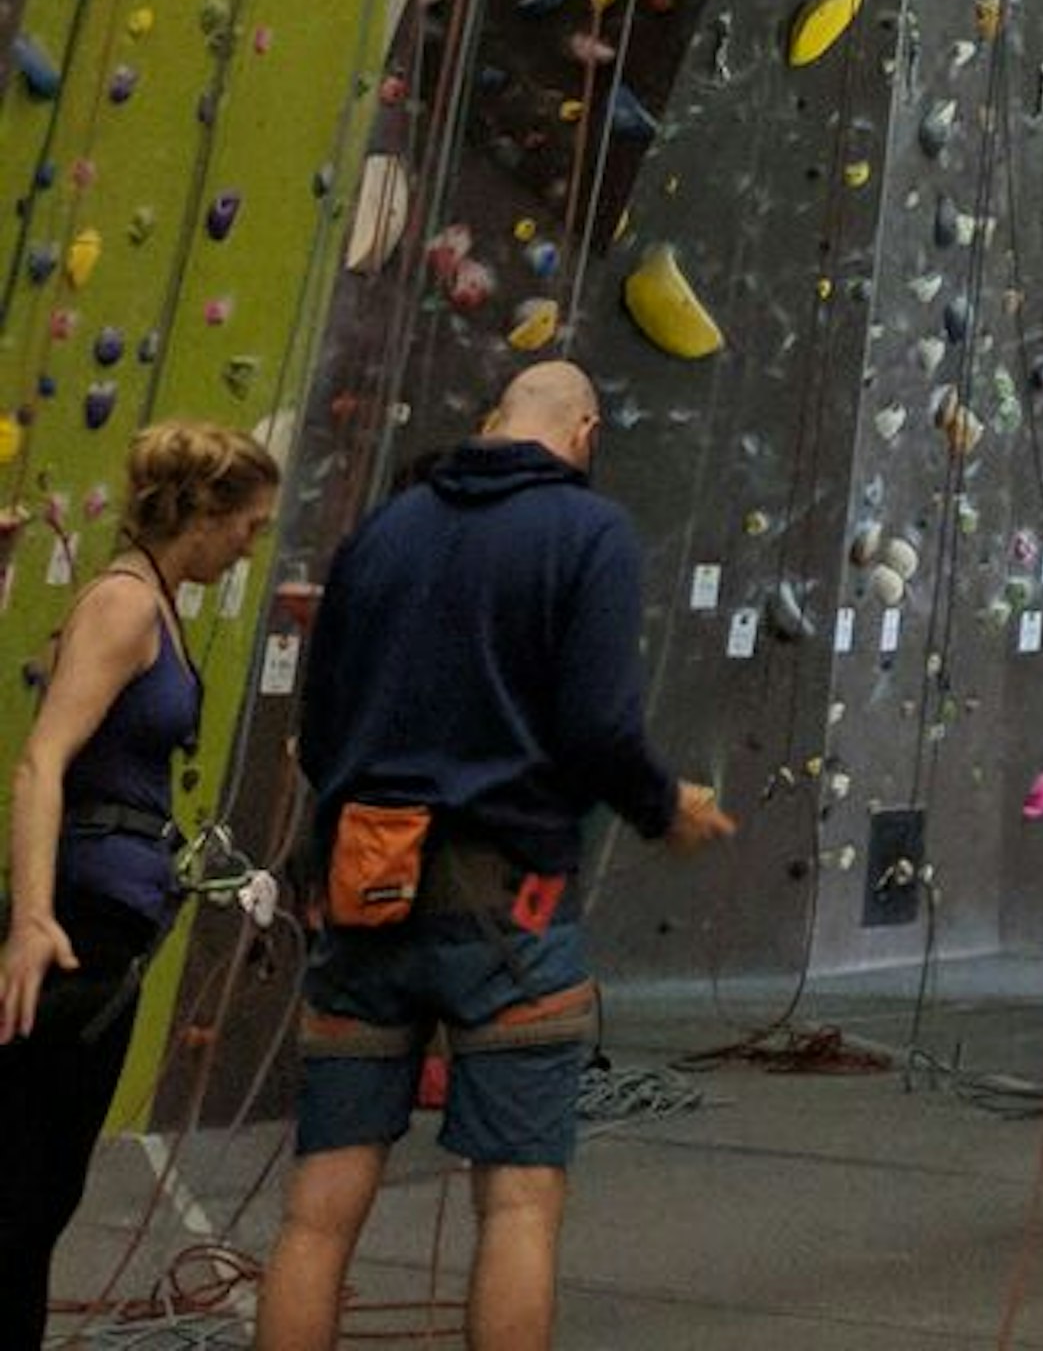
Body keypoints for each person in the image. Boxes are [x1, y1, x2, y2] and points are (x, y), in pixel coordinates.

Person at [253, 359, 732, 1351]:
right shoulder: (588, 532)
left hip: (364, 889)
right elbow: (597, 723)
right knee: (516, 1204)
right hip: (509, 901)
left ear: (493, 420)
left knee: (318, 1207)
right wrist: (663, 805)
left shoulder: (381, 532)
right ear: (585, 431)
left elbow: (323, 724)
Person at [0, 419, 284, 1351]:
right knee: (25, 1188)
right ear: (203, 514)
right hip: (75, 926)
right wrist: (33, 919)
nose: (253, 543)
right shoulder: (123, 606)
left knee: (44, 1188)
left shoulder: (157, 602)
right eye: (249, 523)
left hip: (113, 918)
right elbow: (44, 761)